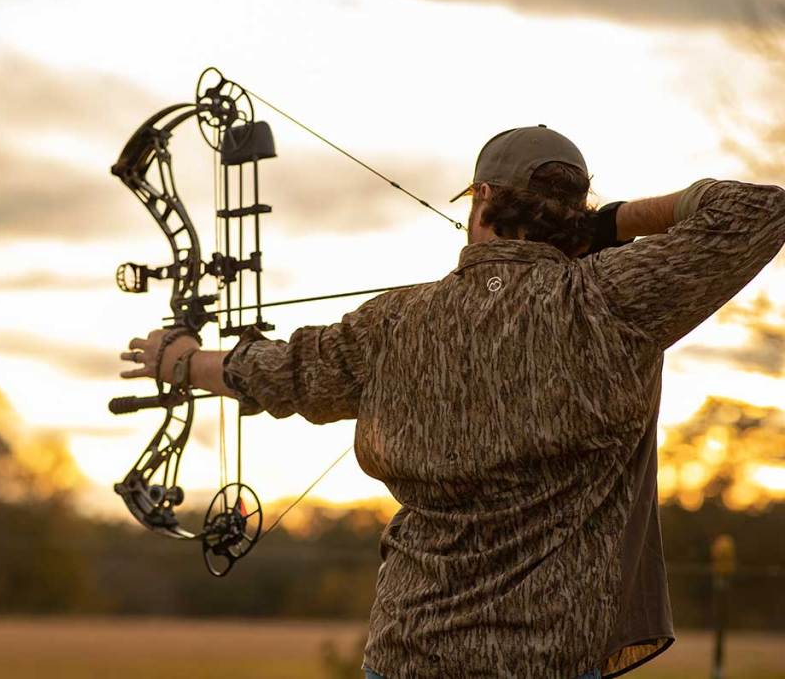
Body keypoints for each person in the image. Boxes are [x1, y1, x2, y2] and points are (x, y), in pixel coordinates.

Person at [119, 125, 785, 678]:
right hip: (551, 656)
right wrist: (608, 224)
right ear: (573, 214)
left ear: (484, 198)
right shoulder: (610, 301)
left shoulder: (394, 322)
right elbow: (756, 209)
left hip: (410, 651)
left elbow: (284, 370)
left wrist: (178, 361)